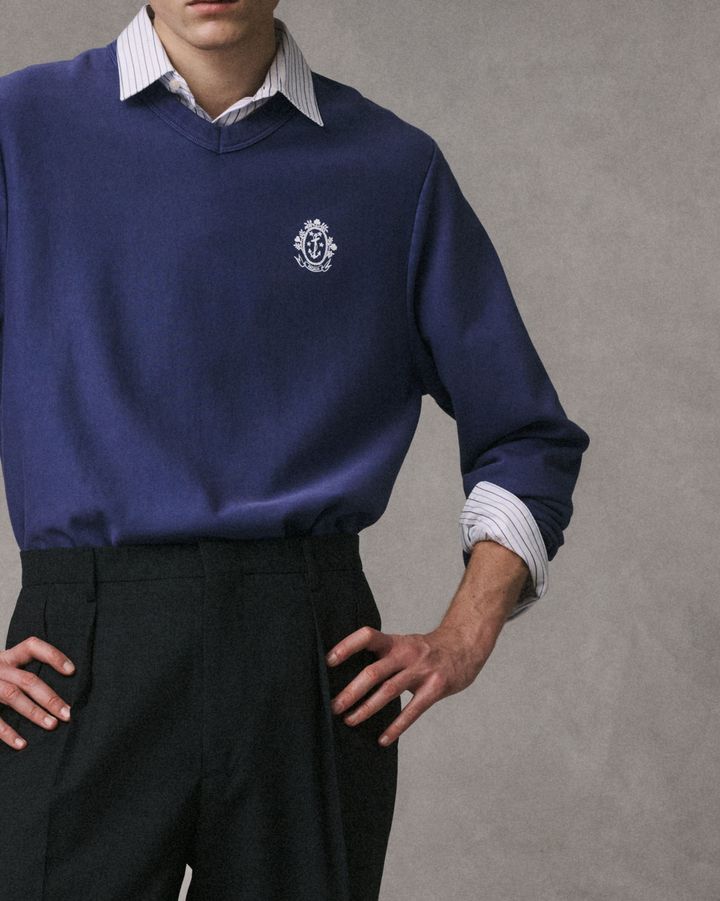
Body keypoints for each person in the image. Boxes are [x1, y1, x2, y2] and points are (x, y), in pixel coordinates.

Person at [0, 1, 590, 898]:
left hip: (309, 654)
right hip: (79, 650)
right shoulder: (19, 132)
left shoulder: (391, 169)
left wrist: (466, 633)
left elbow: (527, 435)